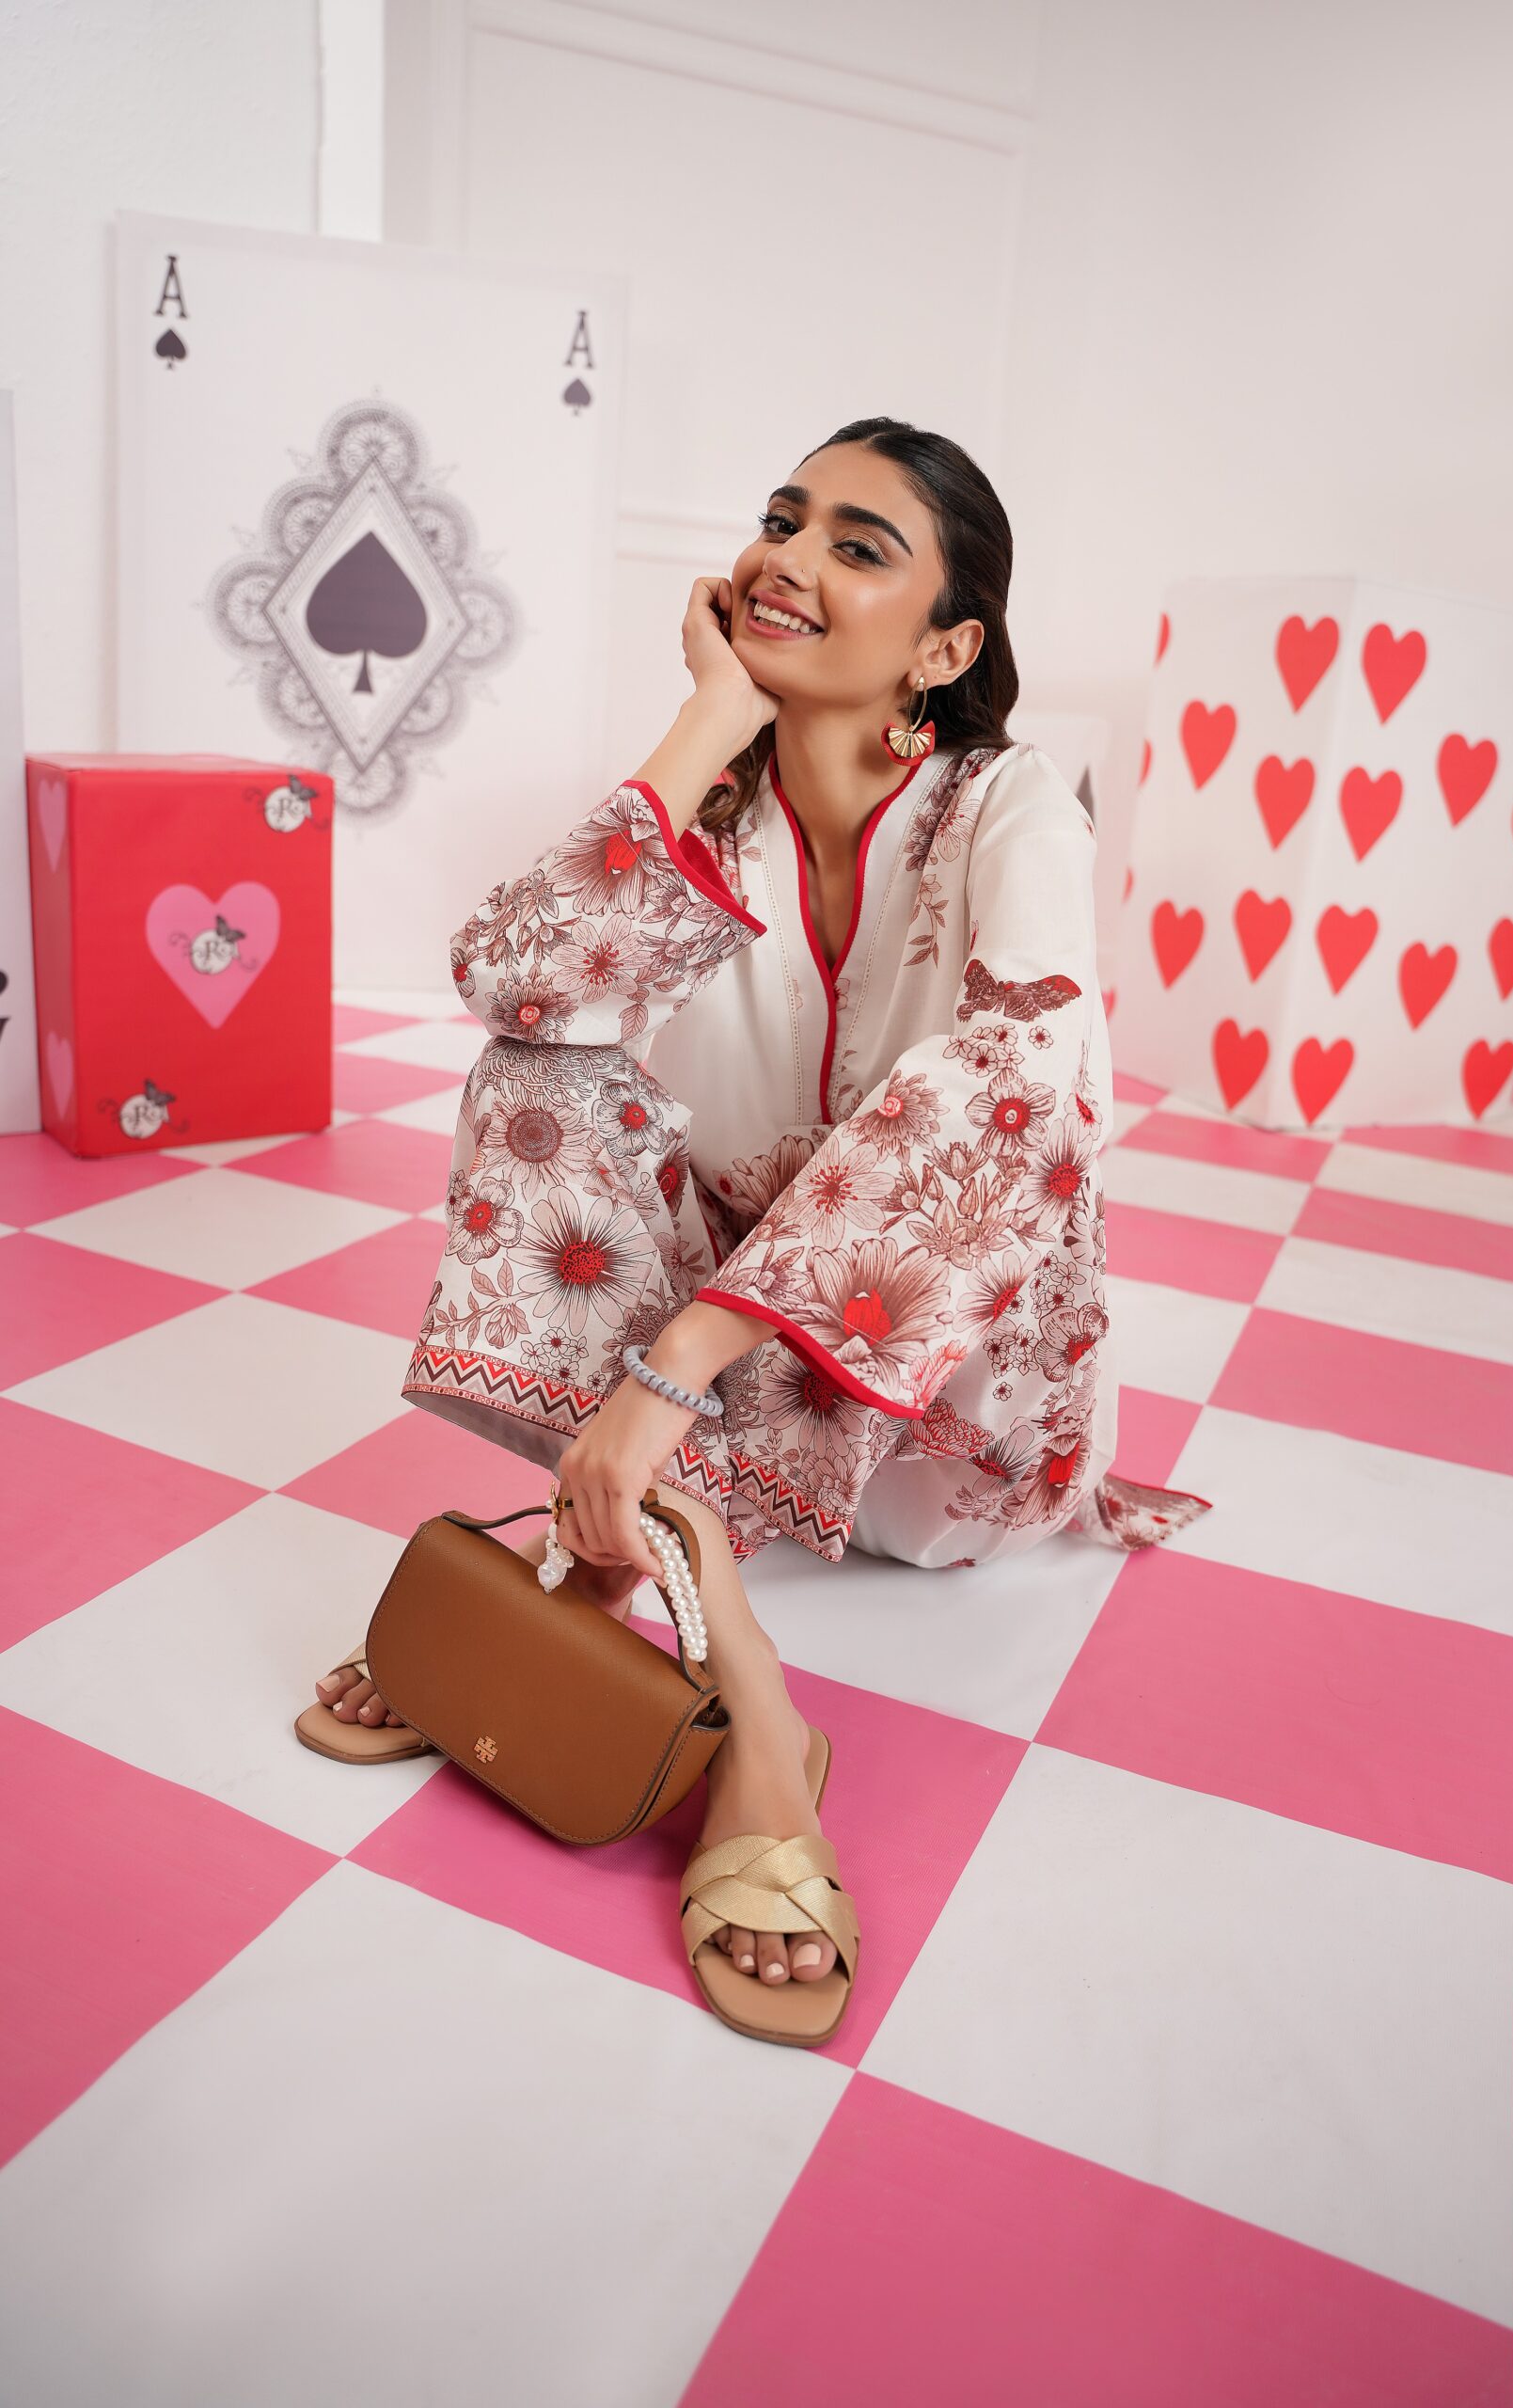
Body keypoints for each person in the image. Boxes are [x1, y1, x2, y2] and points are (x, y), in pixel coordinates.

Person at [296, 416, 1206, 2045]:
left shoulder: (1012, 811)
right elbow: (513, 982)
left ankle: (613, 1573)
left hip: (939, 1418)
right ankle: (732, 1655)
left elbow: (1018, 1100)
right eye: (783, 521)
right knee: (542, 1060)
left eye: (858, 545)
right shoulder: (714, 810)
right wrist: (711, 712)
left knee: (1013, 1096)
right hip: (712, 1405)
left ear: (947, 648)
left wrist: (671, 1370)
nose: (789, 557)